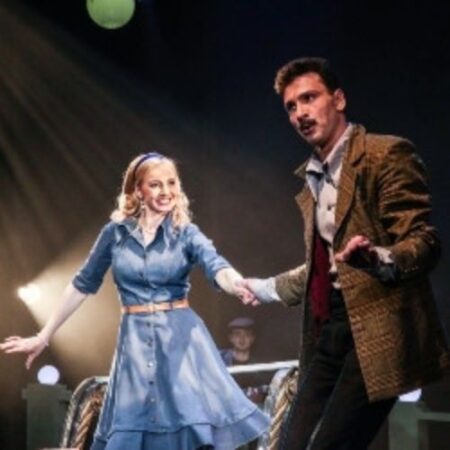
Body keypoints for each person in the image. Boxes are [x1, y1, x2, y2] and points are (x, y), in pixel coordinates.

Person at [242, 57, 450, 449]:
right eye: (291, 106)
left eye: (309, 98)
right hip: (330, 330)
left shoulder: (384, 154)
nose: (300, 113)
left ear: (338, 99)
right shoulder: (311, 181)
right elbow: (321, 269)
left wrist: (379, 258)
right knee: (289, 444)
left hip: (378, 328)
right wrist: (264, 288)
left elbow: (424, 241)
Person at [0, 152, 270, 450]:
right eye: (156, 184)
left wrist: (238, 284)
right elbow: (81, 285)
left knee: (187, 428)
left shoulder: (185, 233)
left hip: (181, 341)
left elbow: (216, 265)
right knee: (132, 431)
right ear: (137, 190)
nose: (166, 191)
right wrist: (44, 335)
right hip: (135, 345)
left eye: (172, 183)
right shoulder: (114, 234)